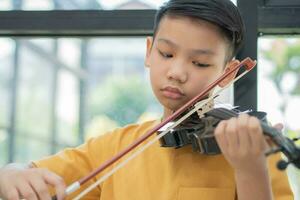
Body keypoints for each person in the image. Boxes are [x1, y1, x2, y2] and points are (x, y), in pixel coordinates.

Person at [0, 0, 294, 199]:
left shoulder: (256, 150)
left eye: (200, 64)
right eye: (167, 54)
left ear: (228, 73)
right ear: (148, 52)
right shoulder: (114, 147)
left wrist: (250, 170)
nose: (177, 72)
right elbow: (31, 175)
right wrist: (10, 173)